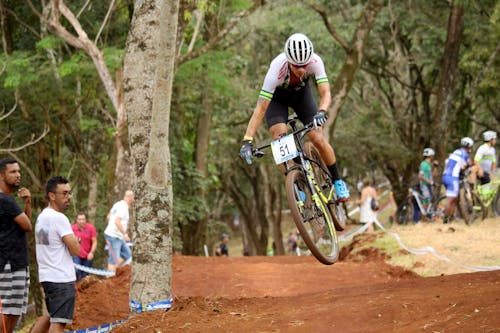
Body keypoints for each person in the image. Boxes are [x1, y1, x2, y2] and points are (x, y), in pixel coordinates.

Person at [238, 33, 350, 202]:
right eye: (297, 66)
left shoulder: (316, 62)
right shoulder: (275, 71)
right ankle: (296, 186)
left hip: (302, 97)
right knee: (279, 138)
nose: (301, 70)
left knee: (317, 138)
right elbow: (261, 108)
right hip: (278, 99)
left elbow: (326, 92)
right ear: (288, 61)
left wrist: (322, 111)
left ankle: (338, 180)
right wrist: (247, 140)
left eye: (304, 65)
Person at [31, 176, 80, 333]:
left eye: (69, 193)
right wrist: (75, 240)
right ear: (52, 195)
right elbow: (76, 250)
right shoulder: (59, 218)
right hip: (60, 278)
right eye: (64, 193)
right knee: (58, 323)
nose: (68, 197)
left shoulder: (42, 217)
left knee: (49, 317)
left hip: (47, 276)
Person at [0, 158, 32, 333]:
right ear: (1, 175)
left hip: (17, 262)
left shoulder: (9, 201)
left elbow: (26, 225)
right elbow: (27, 225)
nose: (18, 175)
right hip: (9, 264)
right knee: (8, 312)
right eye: (13, 172)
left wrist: (27, 202)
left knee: (14, 312)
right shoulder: (5, 201)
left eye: (19, 171)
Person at [442, 137, 474, 224]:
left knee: (455, 198)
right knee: (451, 199)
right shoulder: (464, 154)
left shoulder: (455, 152)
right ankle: (445, 221)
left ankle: (451, 218)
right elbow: (463, 167)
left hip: (445, 176)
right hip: (453, 178)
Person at [104, 190, 134, 271]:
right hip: (113, 237)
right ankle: (109, 279)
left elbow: (109, 216)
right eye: (133, 197)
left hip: (118, 236)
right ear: (130, 198)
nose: (134, 199)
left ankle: (116, 270)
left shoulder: (118, 204)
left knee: (127, 255)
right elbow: (117, 221)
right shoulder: (123, 207)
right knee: (113, 260)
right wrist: (125, 235)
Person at [71, 213, 97, 281]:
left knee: (85, 275)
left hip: (88, 255)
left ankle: (83, 289)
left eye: (83, 219)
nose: (81, 221)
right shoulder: (72, 228)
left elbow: (94, 241)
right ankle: (75, 288)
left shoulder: (91, 228)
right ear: (76, 220)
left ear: (86, 220)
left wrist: (92, 252)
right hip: (76, 254)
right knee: (76, 271)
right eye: (79, 219)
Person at [416, 148, 436, 221]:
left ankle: (428, 217)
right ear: (430, 156)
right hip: (424, 185)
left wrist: (435, 167)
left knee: (430, 201)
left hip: (429, 185)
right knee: (426, 201)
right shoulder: (424, 164)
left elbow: (432, 175)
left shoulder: (428, 165)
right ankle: (423, 219)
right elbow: (420, 176)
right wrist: (429, 182)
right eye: (432, 155)